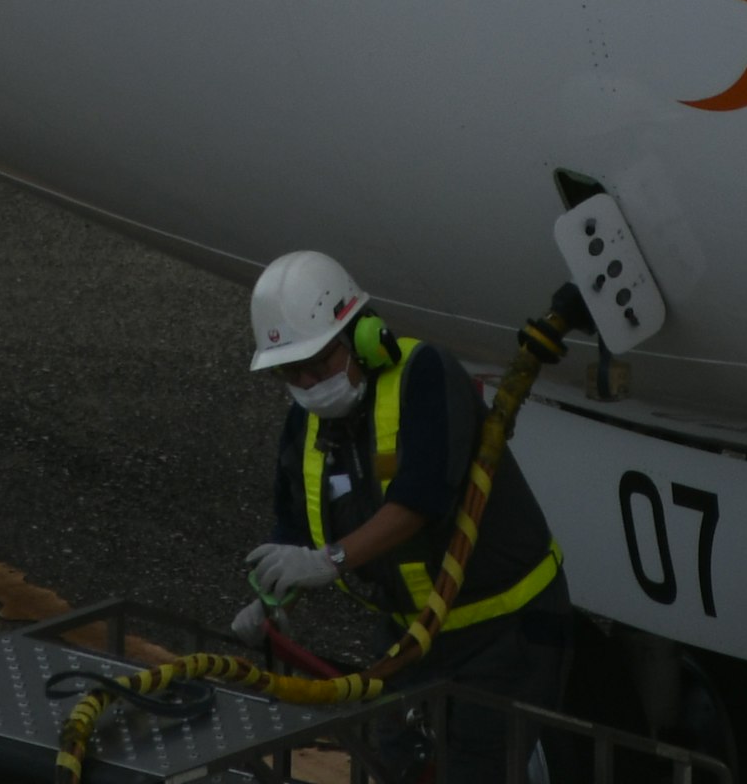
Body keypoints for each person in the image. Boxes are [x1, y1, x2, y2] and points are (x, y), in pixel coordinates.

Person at [234, 249, 571, 783]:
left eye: (319, 363)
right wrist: (271, 594)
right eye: (290, 374)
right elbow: (295, 527)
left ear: (361, 337)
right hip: (410, 639)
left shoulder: (425, 376)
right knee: (396, 765)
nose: (307, 383)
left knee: (478, 770)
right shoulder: (305, 426)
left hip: (505, 631)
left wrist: (330, 561)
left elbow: (419, 501)